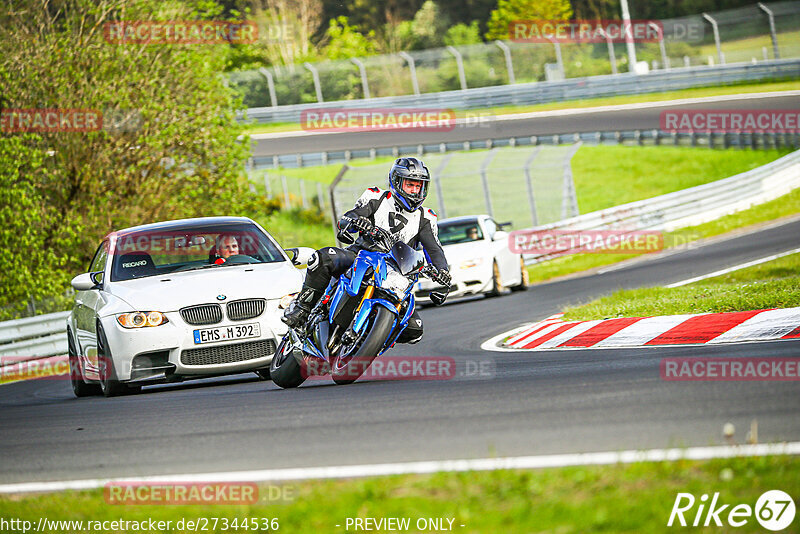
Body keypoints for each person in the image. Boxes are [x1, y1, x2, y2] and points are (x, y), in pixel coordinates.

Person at [282, 157, 451, 344]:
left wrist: (443, 273)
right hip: (360, 256)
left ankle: (369, 338)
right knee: (323, 258)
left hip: (396, 275)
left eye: (418, 186)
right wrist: (352, 223)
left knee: (414, 330)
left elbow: (435, 250)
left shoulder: (426, 217)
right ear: (396, 181)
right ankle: (302, 308)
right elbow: (350, 217)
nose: (414, 190)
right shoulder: (376, 197)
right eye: (410, 184)